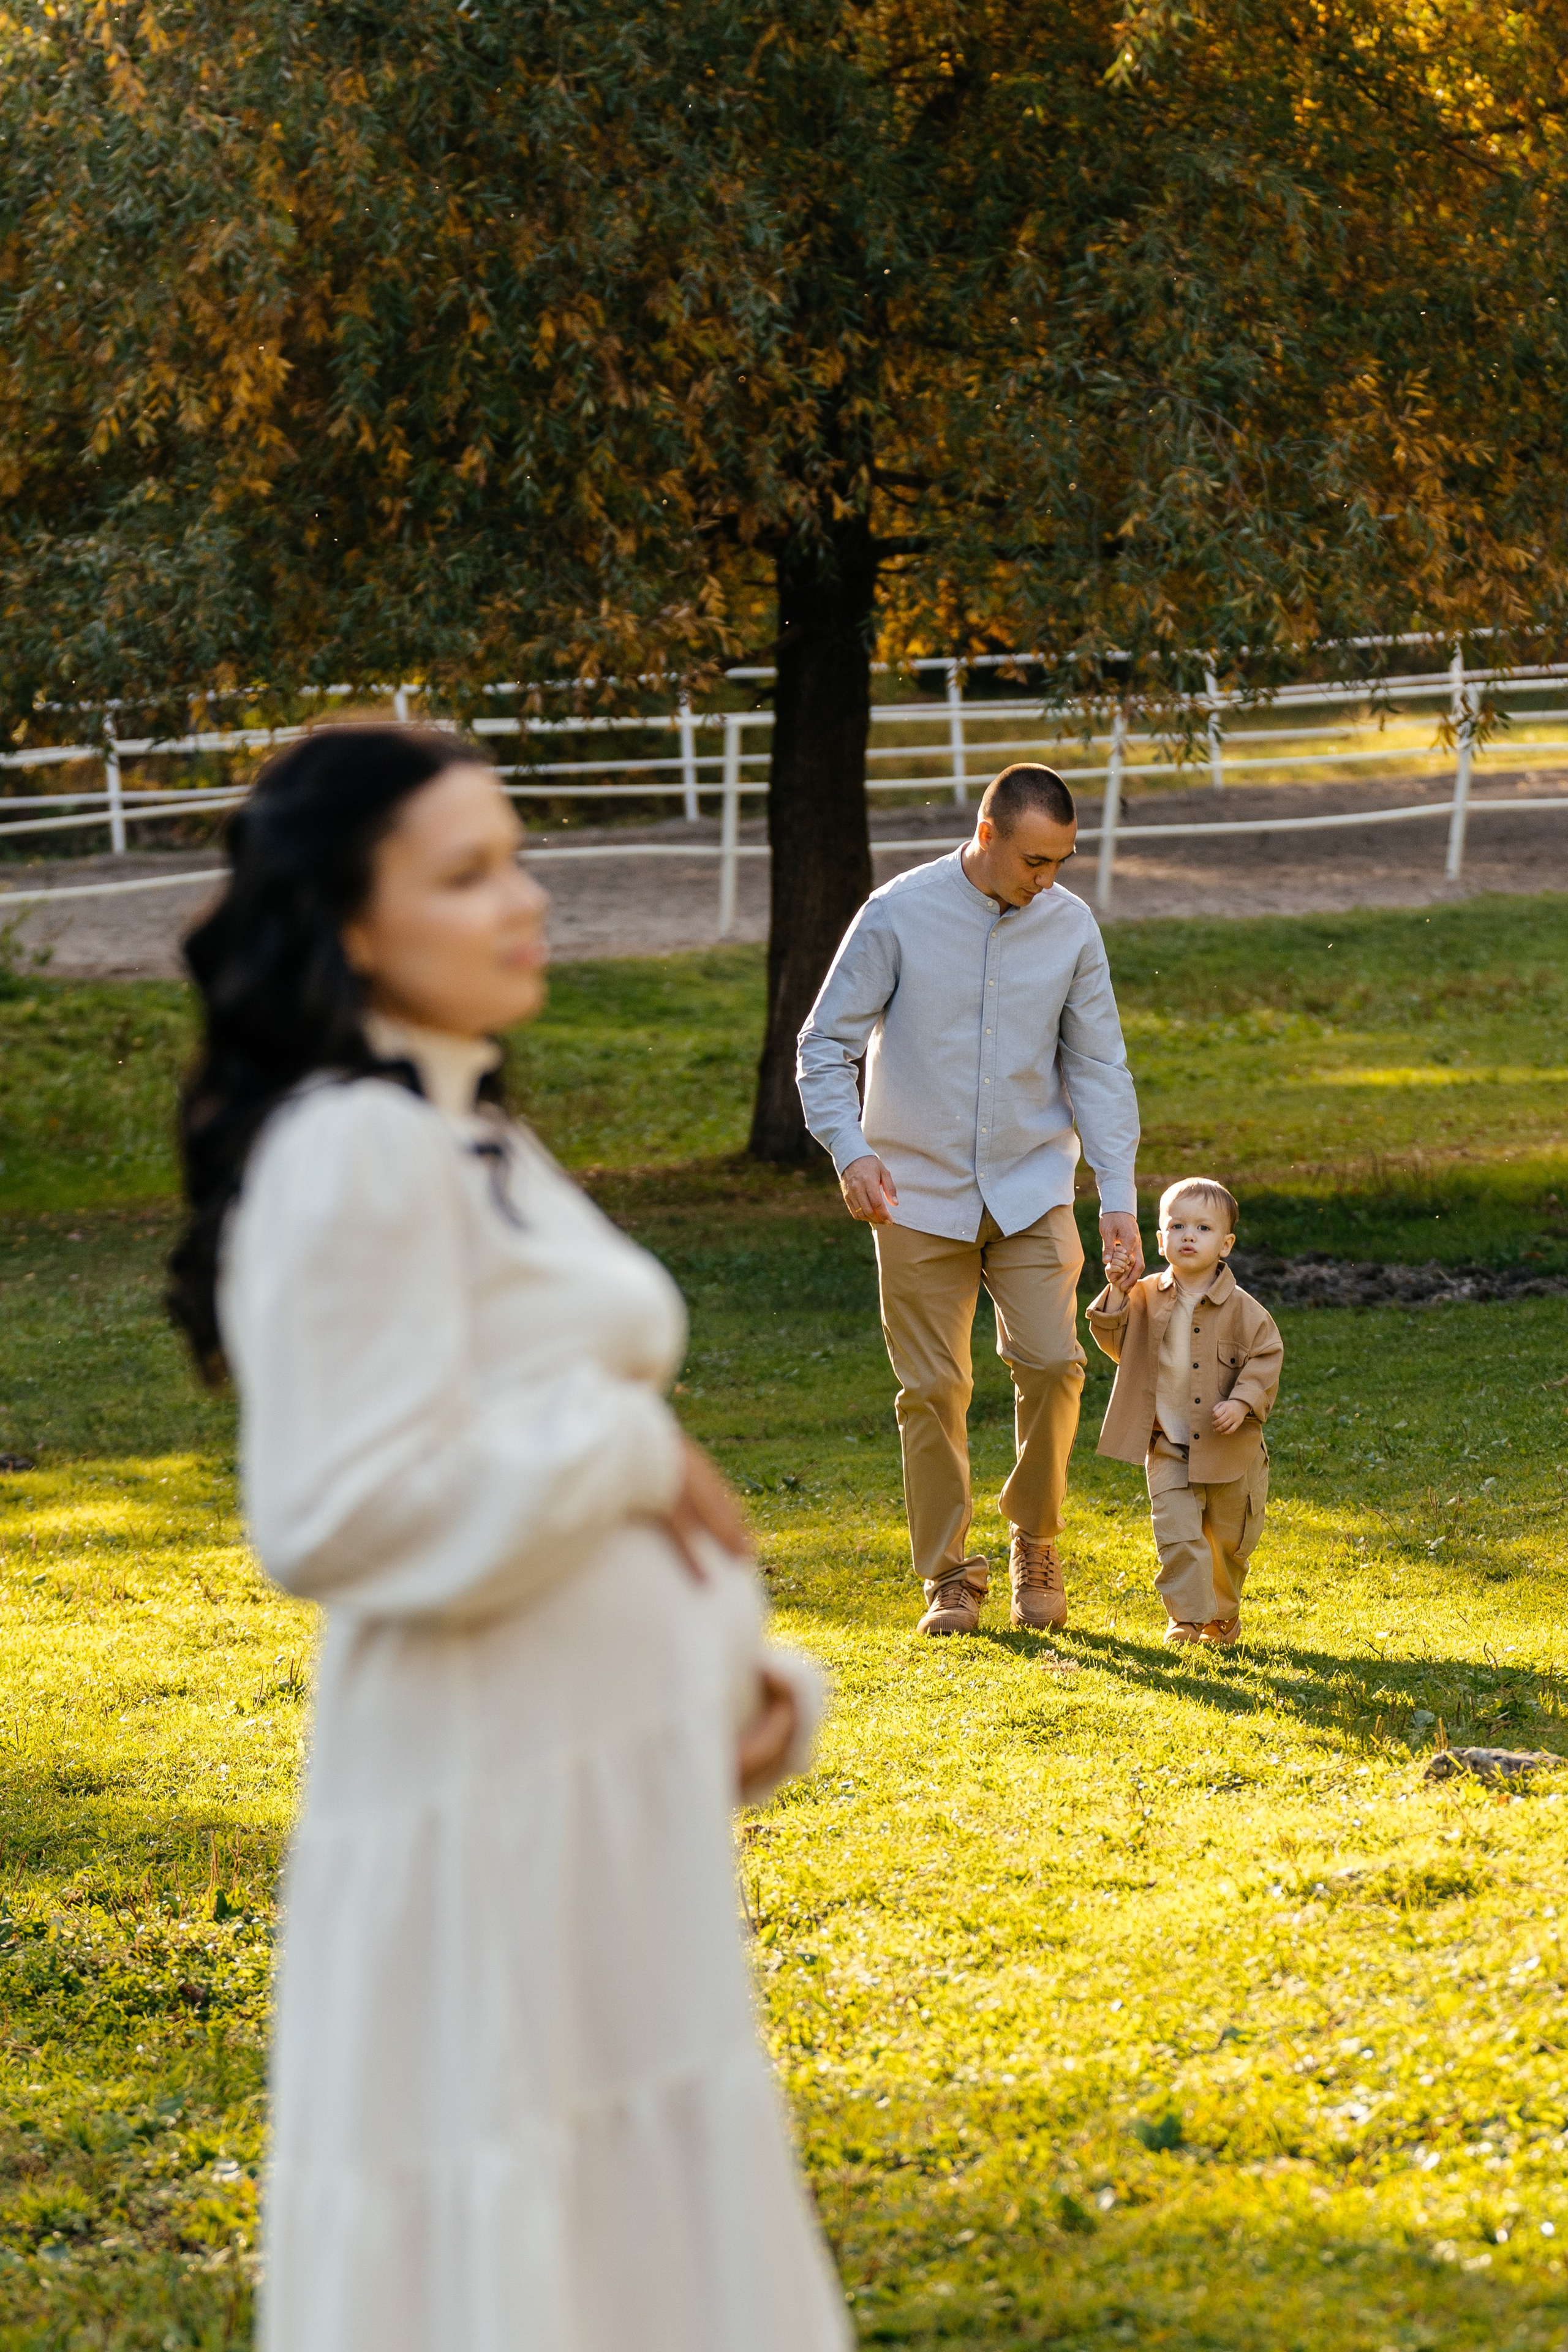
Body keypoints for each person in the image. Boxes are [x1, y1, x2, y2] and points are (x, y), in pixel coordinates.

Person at [167, 727, 850, 2352]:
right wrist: (623, 1444)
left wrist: (721, 1676)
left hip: (591, 1813)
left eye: (519, 858)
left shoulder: (472, 1130)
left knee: (622, 2262)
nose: (525, 900)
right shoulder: (352, 1147)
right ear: (349, 927)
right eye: (466, 875)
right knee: (522, 2263)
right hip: (481, 1823)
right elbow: (332, 1506)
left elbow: (504, 1439)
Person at [796, 763, 1142, 1638]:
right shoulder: (897, 915)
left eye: (1061, 861)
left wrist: (1117, 1195)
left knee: (1055, 1363)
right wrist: (852, 1151)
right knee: (933, 1389)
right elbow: (824, 1044)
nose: (1047, 879)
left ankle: (1035, 1536)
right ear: (987, 837)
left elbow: (1099, 1066)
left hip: (1031, 1185)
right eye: (1033, 860)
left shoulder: (1070, 928)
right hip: (912, 1192)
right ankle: (951, 1575)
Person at [1087, 1177, 1283, 1647]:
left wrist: (1242, 1401)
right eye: (1177, 1226)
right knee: (1177, 1535)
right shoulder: (1144, 1296)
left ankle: (1223, 1616)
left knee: (1227, 1544)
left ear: (1226, 1244)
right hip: (1167, 1444)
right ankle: (1187, 1620)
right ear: (1160, 1239)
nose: (1188, 1236)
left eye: (1203, 1227)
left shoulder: (1245, 1311)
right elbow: (1115, 1343)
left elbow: (1266, 1356)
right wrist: (1115, 1291)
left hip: (1228, 1450)